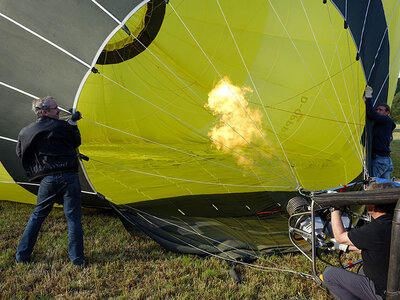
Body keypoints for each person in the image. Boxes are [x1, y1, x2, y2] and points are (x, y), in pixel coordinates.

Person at [15, 96, 84, 266]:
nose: (59, 110)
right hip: (69, 177)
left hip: (48, 179)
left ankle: (21, 257)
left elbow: (20, 153)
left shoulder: (26, 131)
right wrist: (74, 123)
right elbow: (77, 142)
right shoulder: (64, 127)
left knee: (38, 216)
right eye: (55, 108)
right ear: (44, 112)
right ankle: (77, 260)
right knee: (73, 218)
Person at [322, 182, 396, 299]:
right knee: (363, 271)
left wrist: (334, 207)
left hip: (384, 292)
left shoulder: (375, 229)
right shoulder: (393, 224)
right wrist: (344, 247)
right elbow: (378, 250)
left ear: (373, 206)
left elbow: (340, 237)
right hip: (392, 283)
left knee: (329, 274)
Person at [364, 85, 396, 179]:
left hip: (380, 160)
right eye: (377, 109)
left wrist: (368, 97)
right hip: (386, 160)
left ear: (387, 113)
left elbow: (371, 114)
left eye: (381, 110)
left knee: (373, 185)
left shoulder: (386, 120)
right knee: (385, 188)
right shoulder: (385, 123)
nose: (378, 111)